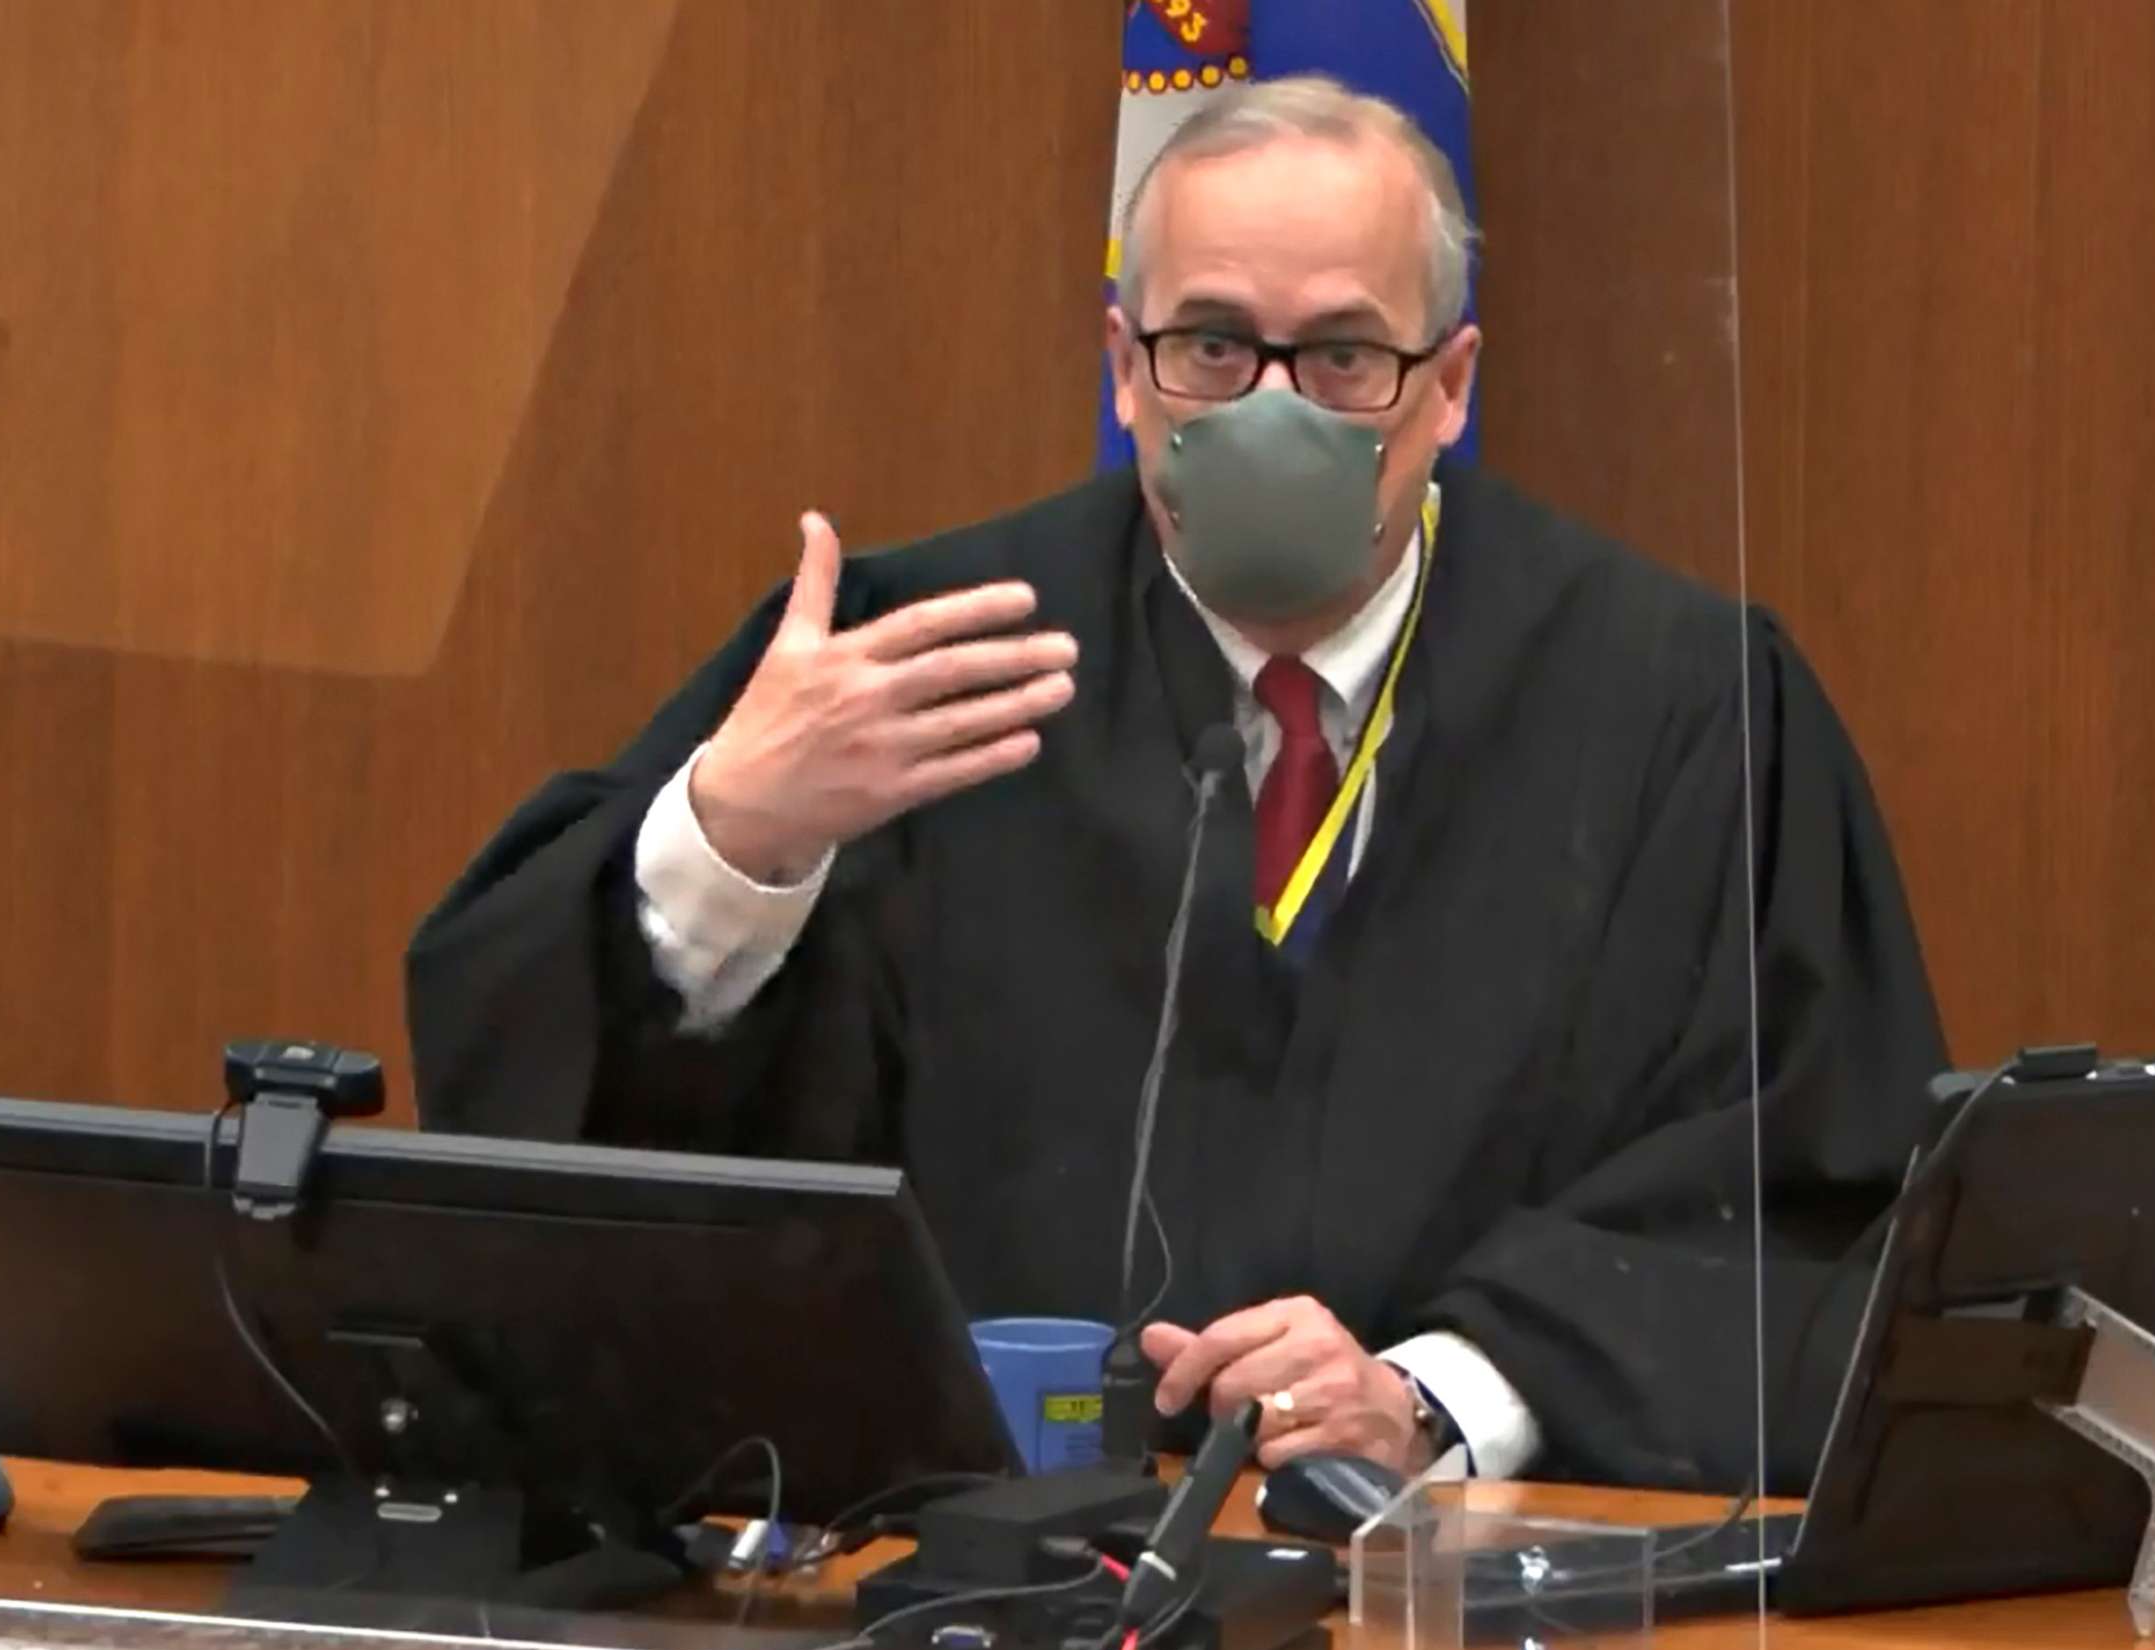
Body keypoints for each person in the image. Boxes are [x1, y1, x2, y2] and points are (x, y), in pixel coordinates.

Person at [408, 76, 1945, 1490]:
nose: (1269, 408)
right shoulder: (914, 664)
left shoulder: (1677, 705)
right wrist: (734, 842)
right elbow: (558, 1147)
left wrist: (1433, 1395)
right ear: (1124, 368)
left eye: (1343, 354)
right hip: (975, 1585)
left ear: (1452, 382)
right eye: (1211, 344)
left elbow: (1816, 1204)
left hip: (1469, 1600)